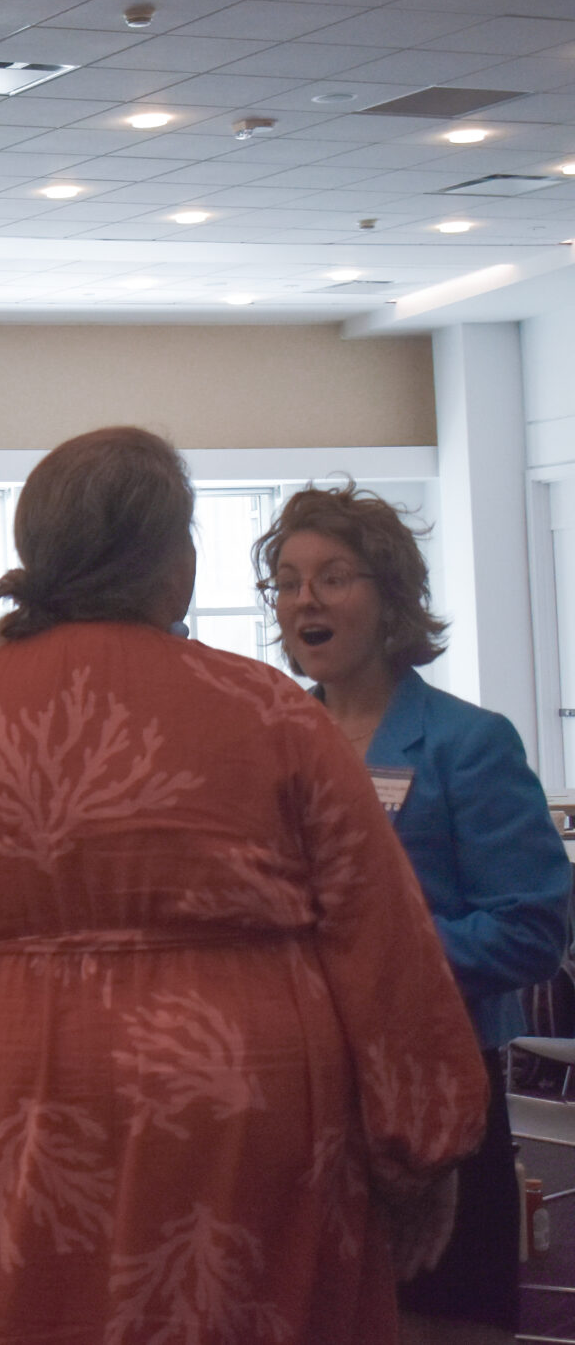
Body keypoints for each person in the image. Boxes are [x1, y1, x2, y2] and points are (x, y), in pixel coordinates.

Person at [0, 427, 489, 1345]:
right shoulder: (275, 713)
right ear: (174, 563)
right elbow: (381, 942)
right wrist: (423, 1140)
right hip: (238, 1102)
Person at [260, 482, 571, 1338]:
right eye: (287, 581)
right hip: (304, 1095)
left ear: (392, 596)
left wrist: (375, 952)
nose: (305, 600)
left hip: (439, 1092)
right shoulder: (273, 743)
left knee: (436, 1321)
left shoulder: (467, 741)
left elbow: (534, 927)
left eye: (333, 577)